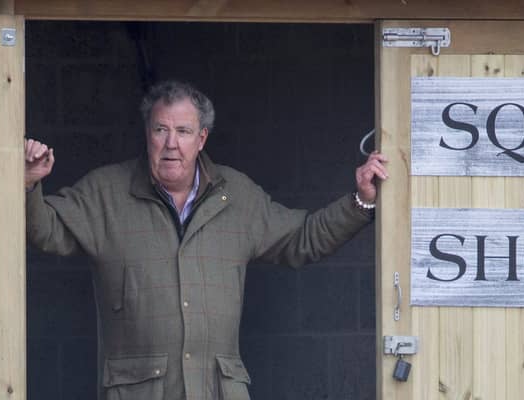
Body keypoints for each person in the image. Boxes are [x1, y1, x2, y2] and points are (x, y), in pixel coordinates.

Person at [25, 80, 388, 400]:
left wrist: (361, 201)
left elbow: (303, 238)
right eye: (160, 130)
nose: (171, 144)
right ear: (146, 135)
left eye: (183, 131)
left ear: (201, 139)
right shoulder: (106, 192)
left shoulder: (237, 196)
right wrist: (27, 184)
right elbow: (46, 230)